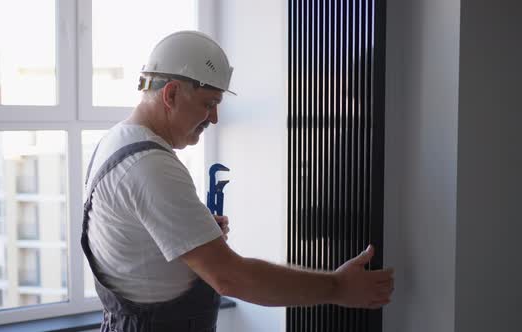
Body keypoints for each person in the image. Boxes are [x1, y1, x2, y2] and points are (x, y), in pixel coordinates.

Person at [82, 30, 394, 332]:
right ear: (172, 93)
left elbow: (136, 252)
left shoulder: (116, 141)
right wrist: (338, 287)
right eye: (208, 103)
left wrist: (193, 234)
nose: (214, 118)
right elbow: (231, 277)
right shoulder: (150, 166)